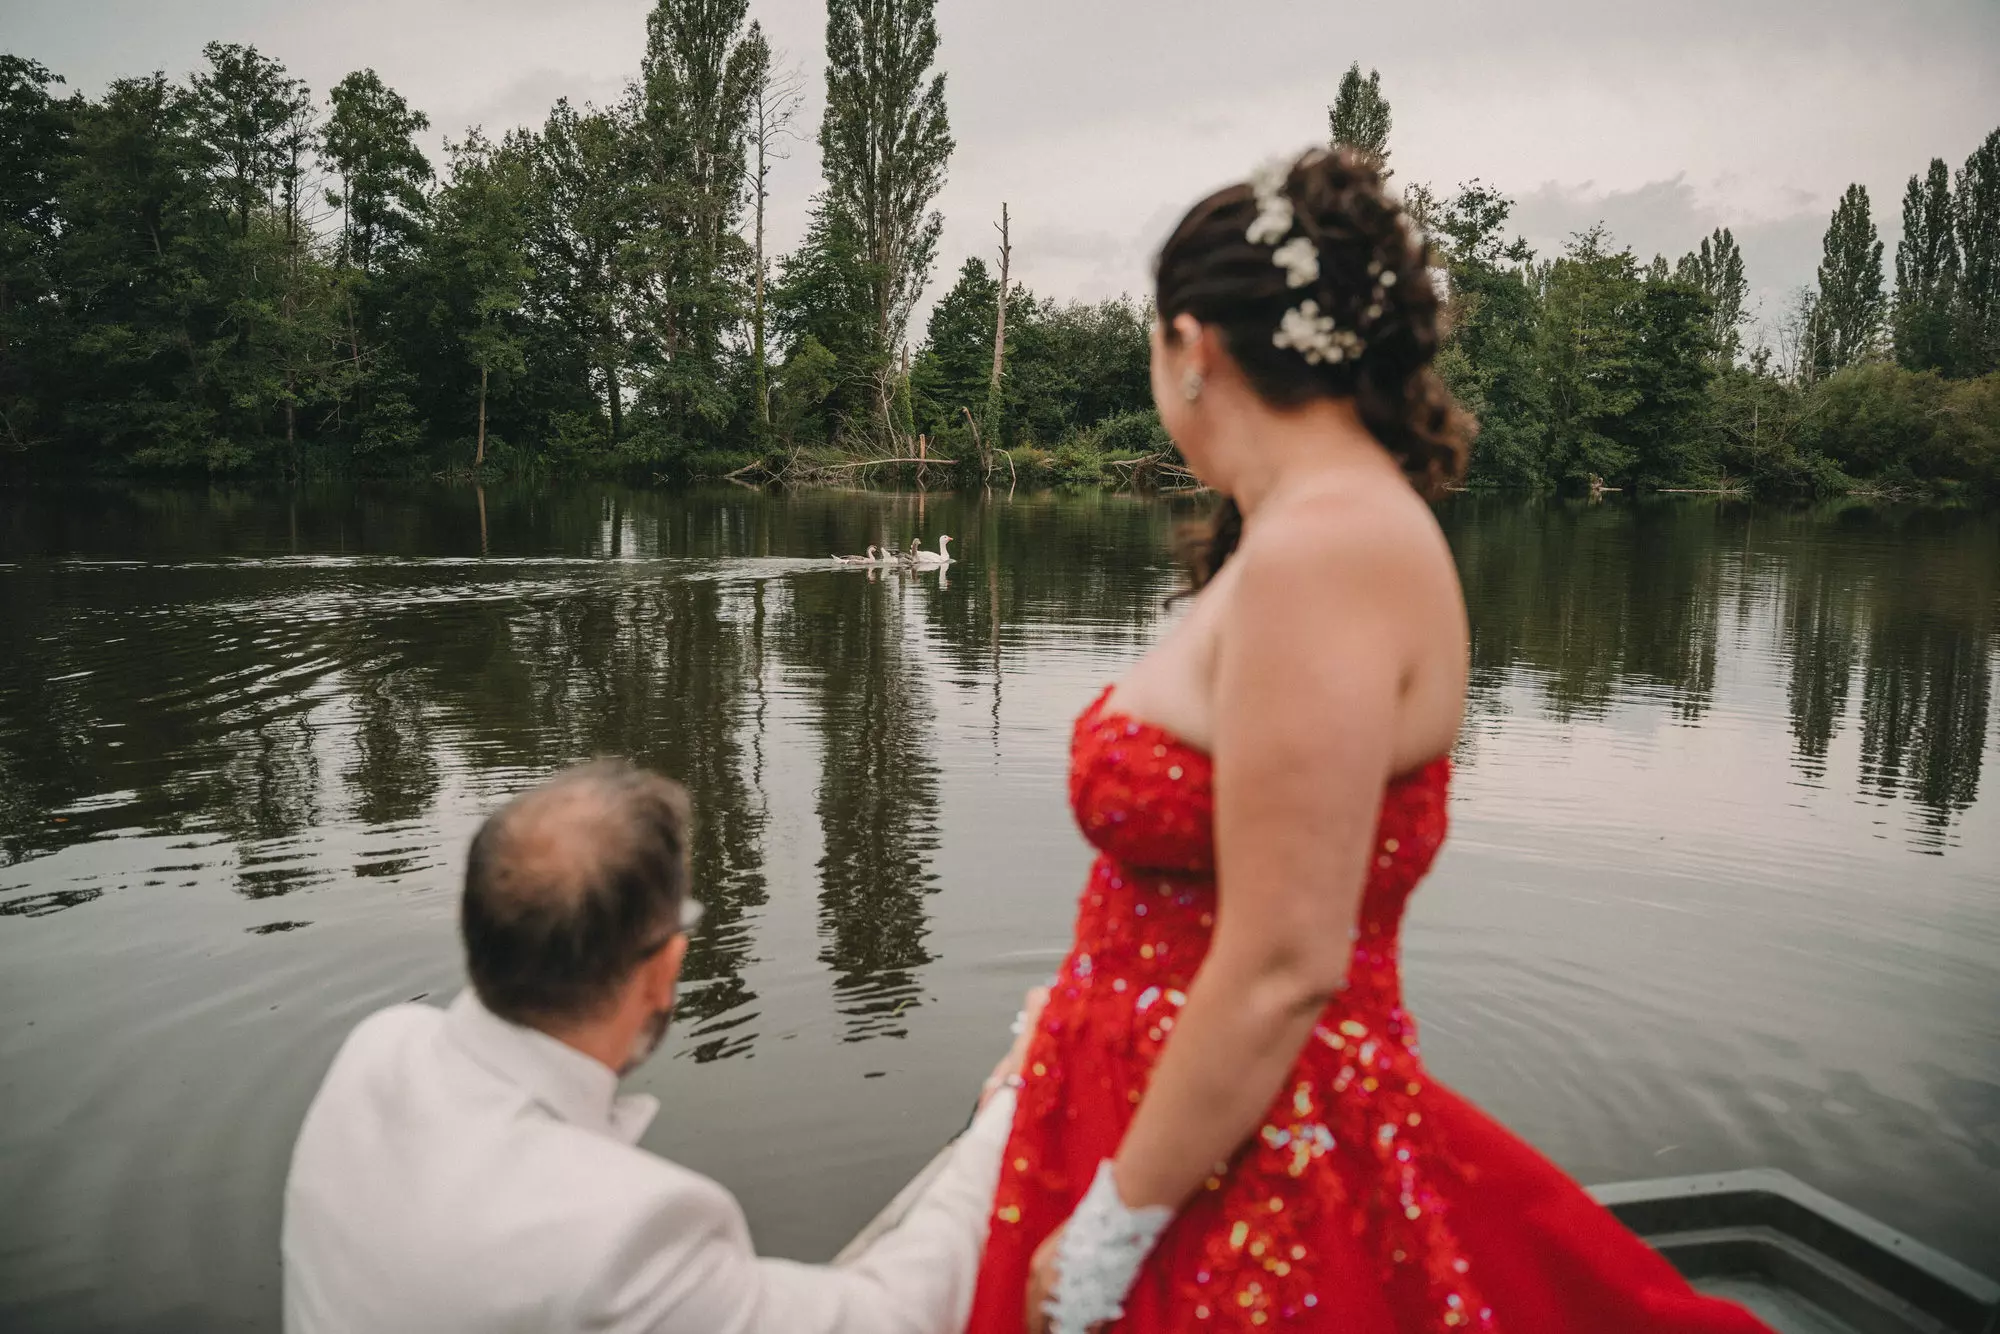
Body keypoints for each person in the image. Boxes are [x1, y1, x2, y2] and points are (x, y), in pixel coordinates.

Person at [964, 150, 1774, 1334]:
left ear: (1192, 347)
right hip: (1165, 1111)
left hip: (1223, 1170)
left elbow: (1287, 957)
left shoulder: (1325, 552)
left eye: (1151, 352)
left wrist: (1107, 1233)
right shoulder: (1306, 536)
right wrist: (1072, 1011)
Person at [283, 759, 1042, 1334]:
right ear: (663, 969)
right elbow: (889, 1318)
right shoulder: (624, 1233)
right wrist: (1012, 1107)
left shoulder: (373, 1052)